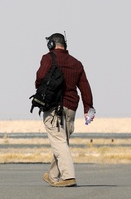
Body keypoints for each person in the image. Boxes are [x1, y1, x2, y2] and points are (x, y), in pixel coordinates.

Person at [35, 33, 94, 187]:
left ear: (52, 45)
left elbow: (40, 78)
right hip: (71, 108)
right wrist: (88, 108)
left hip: (54, 107)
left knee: (59, 142)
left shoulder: (48, 58)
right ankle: (53, 176)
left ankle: (68, 177)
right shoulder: (77, 63)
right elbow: (85, 87)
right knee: (62, 142)